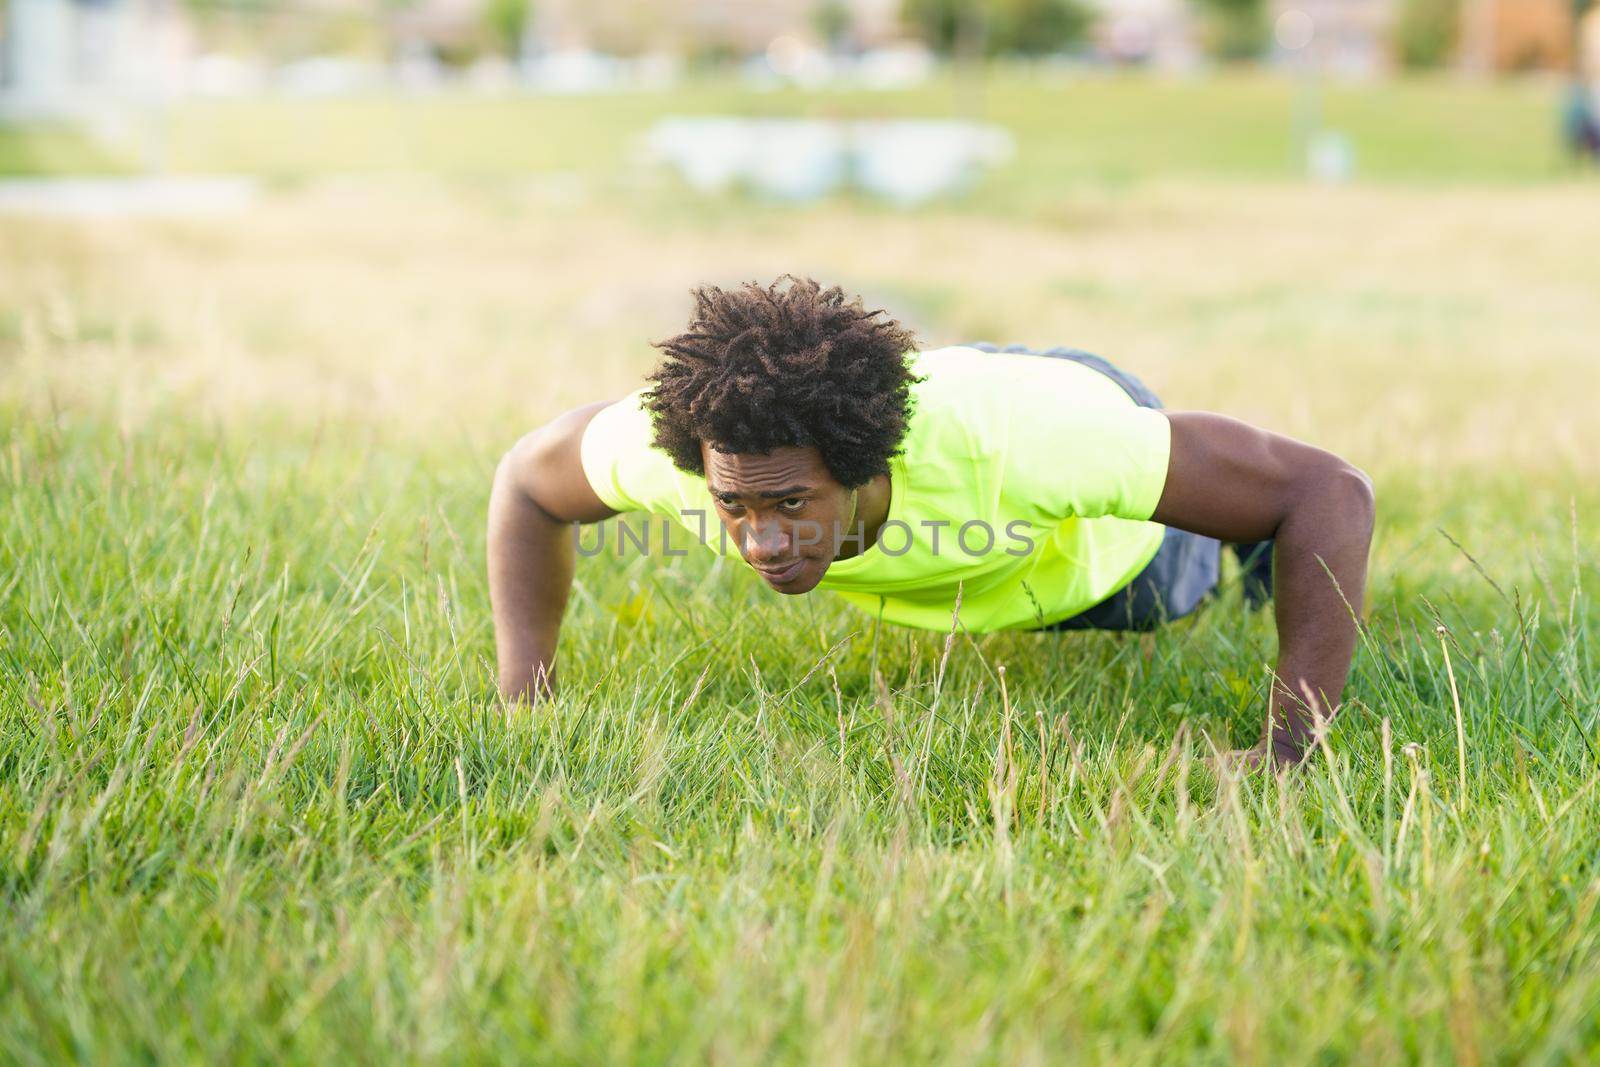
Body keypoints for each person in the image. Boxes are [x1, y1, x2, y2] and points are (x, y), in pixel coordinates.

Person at [487, 276, 1375, 772]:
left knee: (1213, 561)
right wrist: (527, 698)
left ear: (869, 464)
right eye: (735, 506)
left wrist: (1289, 749)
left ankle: (1252, 559)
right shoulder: (691, 448)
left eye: (791, 503)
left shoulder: (1033, 447)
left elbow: (1330, 491)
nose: (757, 541)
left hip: (1100, 543)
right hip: (975, 395)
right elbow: (526, 482)